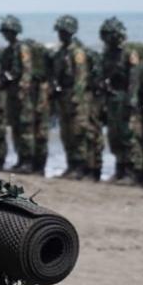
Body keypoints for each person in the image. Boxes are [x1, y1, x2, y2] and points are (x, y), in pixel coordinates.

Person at [51, 15, 101, 180]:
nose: (60, 34)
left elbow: (81, 78)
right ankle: (72, 165)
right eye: (59, 32)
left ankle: (84, 167)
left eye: (63, 31)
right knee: (67, 133)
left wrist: (77, 99)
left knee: (80, 132)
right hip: (64, 96)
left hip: (77, 97)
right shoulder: (61, 52)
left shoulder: (77, 52)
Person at [96, 17, 143, 185]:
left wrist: (131, 99)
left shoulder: (128, 53)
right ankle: (120, 169)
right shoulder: (108, 54)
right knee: (114, 136)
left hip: (125, 98)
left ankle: (132, 172)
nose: (107, 38)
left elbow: (134, 78)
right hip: (112, 99)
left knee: (128, 136)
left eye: (110, 35)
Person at [0, 15, 38, 173]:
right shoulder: (8, 50)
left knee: (26, 127)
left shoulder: (22, 48)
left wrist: (23, 90)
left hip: (22, 94)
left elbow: (27, 71)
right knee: (15, 128)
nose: (6, 35)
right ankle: (21, 159)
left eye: (8, 31)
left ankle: (28, 160)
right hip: (11, 93)